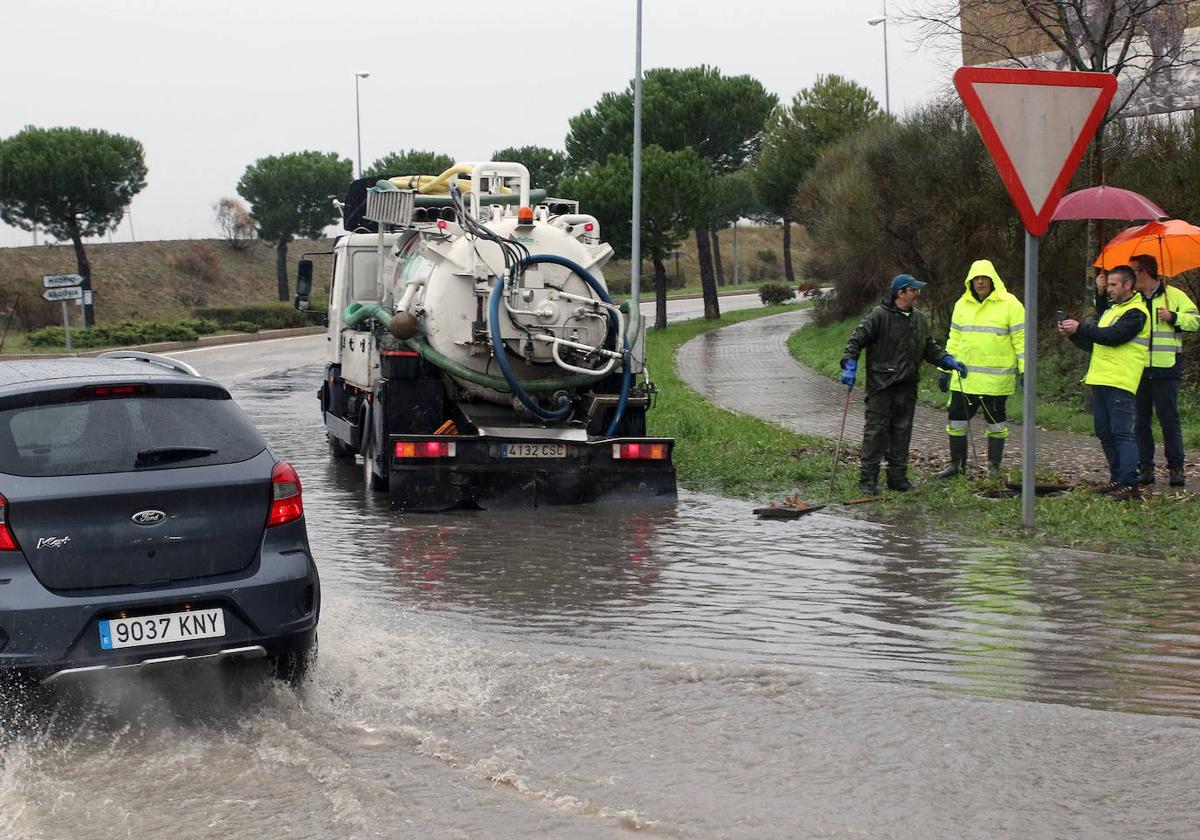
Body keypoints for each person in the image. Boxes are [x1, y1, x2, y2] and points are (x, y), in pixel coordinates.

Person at [840, 273, 967, 495]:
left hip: (908, 386)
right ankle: (868, 480)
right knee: (875, 433)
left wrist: (947, 361)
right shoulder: (878, 316)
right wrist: (850, 365)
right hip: (881, 385)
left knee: (902, 433)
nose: (918, 294)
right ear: (901, 293)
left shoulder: (920, 319)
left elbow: (929, 347)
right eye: (914, 290)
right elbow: (855, 340)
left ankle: (897, 479)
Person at [1097, 254, 1198, 487]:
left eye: (1133, 270)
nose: (1130, 275)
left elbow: (1196, 321)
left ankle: (1176, 468)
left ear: (1144, 272)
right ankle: (1145, 467)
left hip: (1166, 368)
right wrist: (1101, 292)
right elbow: (1106, 317)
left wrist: (1174, 316)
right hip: (1138, 369)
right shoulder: (1132, 300)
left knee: (1169, 420)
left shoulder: (1174, 295)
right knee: (1140, 421)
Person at [1059, 265, 1150, 501]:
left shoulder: (1137, 312)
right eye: (1107, 285)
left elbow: (1112, 337)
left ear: (1128, 285)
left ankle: (1130, 483)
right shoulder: (1112, 311)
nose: (1108, 289)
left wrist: (1081, 327)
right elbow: (1095, 343)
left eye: (1113, 285)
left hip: (1120, 380)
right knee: (1105, 432)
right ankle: (1118, 478)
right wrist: (1074, 336)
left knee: (1122, 433)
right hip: (1101, 379)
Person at [935, 259, 1025, 479]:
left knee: (996, 425)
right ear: (970, 281)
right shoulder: (961, 305)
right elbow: (954, 338)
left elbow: (1021, 340)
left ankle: (994, 468)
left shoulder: (1010, 304)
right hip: (964, 379)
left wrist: (1025, 370)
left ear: (993, 279)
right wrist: (945, 368)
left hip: (995, 381)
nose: (981, 282)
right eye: (977, 278)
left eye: (985, 278)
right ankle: (957, 466)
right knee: (956, 422)